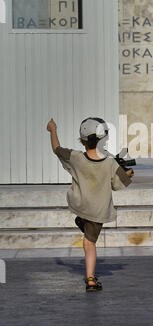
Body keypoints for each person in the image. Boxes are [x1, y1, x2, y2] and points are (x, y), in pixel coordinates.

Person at [46, 116, 134, 292]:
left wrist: (53, 130)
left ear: (83, 140)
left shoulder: (76, 158)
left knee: (87, 232)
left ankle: (82, 221)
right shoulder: (110, 163)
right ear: (103, 140)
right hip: (97, 211)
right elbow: (118, 185)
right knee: (89, 244)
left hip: (81, 205)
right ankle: (91, 280)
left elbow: (57, 149)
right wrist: (129, 174)